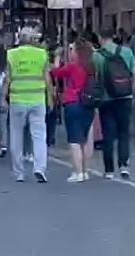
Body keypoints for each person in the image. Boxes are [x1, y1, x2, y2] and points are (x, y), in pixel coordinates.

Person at [5, 27, 51, 183]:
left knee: (16, 136)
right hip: (37, 99)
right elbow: (47, 79)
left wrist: (2, 97)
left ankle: (19, 172)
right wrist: (50, 98)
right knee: (39, 136)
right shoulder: (42, 54)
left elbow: (7, 79)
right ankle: (40, 168)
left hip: (17, 99)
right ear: (33, 40)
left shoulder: (11, 54)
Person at [93, 27, 135, 179]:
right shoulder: (127, 52)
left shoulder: (97, 56)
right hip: (125, 97)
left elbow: (95, 77)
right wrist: (132, 91)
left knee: (108, 134)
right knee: (124, 132)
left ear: (100, 38)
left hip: (106, 98)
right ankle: (124, 166)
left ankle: (109, 170)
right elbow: (134, 73)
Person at [51, 40, 97, 182]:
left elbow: (56, 72)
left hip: (73, 102)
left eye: (72, 49)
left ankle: (78, 172)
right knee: (83, 139)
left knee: (74, 139)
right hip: (89, 103)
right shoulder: (91, 67)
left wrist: (57, 58)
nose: (70, 52)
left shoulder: (73, 66)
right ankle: (85, 170)